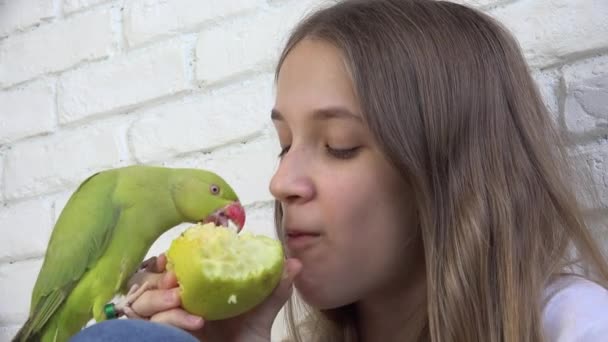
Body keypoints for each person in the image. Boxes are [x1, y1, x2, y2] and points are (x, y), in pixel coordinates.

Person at [71, 0, 608, 341]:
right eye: (284, 145)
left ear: (451, 169)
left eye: (340, 145)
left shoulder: (576, 325)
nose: (280, 184)